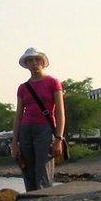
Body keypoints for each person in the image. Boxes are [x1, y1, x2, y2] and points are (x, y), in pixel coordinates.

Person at [11, 47, 66, 191]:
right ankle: (30, 199)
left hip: (45, 129)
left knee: (43, 168)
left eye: (36, 60)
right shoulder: (23, 88)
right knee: (27, 168)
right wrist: (14, 142)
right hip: (25, 129)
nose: (34, 63)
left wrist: (58, 139)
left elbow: (60, 112)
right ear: (26, 65)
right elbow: (18, 116)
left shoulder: (53, 82)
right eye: (30, 61)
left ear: (42, 62)